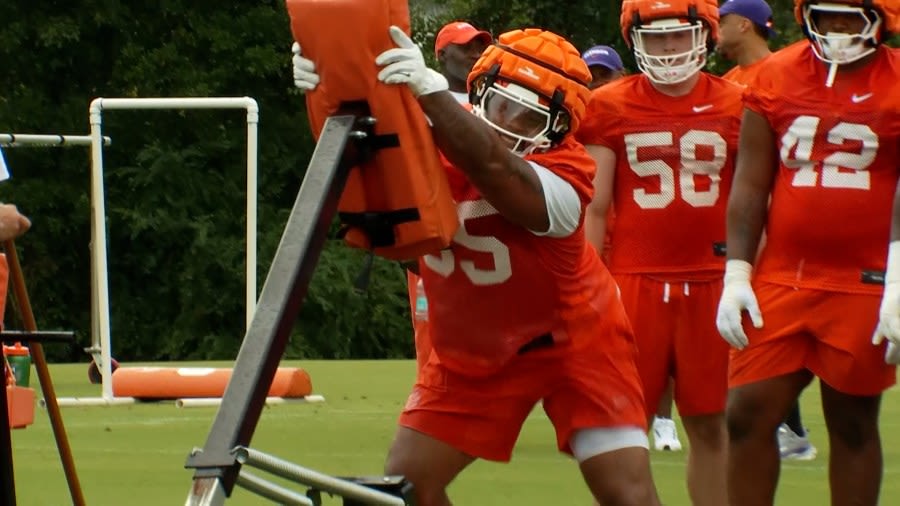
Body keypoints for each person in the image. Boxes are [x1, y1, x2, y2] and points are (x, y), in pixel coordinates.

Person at [293, 25, 662, 506]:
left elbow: (492, 167)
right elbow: (364, 175)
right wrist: (330, 94)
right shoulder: (438, 127)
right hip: (474, 347)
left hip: (576, 340)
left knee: (626, 494)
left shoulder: (567, 178)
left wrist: (427, 96)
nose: (507, 125)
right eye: (501, 105)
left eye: (529, 120)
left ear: (558, 130)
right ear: (478, 89)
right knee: (406, 488)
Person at [715, 0, 900, 504]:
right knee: (747, 412)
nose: (837, 28)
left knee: (853, 421)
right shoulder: (776, 73)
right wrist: (737, 272)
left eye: (849, 17)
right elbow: (751, 181)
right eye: (827, 16)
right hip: (781, 276)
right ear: (806, 15)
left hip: (864, 279)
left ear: (880, 20)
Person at [577, 0, 742, 504]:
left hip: (714, 280)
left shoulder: (741, 101)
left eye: (678, 35)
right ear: (635, 40)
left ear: (705, 35)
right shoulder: (608, 104)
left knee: (712, 424)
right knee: (624, 429)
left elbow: (754, 198)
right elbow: (595, 204)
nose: (669, 47)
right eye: (656, 37)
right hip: (633, 280)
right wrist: (587, 286)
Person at [718, 0, 819, 462]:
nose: (715, 32)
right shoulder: (731, 83)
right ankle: (787, 428)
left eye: (720, 22)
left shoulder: (787, 74)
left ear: (743, 24)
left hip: (779, 217)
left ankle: (789, 430)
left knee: (766, 329)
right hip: (739, 211)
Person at [406, 21, 492, 375]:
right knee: (433, 335)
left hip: (487, 234)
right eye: (466, 46)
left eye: (479, 46)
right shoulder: (417, 106)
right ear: (442, 55)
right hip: (437, 235)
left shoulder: (495, 102)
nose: (475, 53)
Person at [717, 0, 776, 87]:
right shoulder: (726, 83)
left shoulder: (786, 72)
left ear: (743, 25)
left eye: (720, 25)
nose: (715, 32)